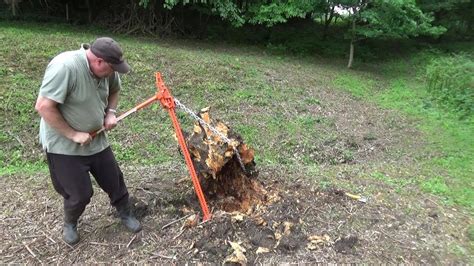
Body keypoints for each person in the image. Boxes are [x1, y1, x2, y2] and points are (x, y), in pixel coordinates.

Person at [35, 37, 142, 245]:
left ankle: (126, 213)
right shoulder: (65, 67)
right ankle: (70, 223)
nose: (113, 73)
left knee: (114, 180)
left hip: (96, 139)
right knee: (79, 193)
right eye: (112, 68)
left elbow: (114, 90)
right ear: (99, 61)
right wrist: (73, 134)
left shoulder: (107, 71)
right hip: (64, 144)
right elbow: (43, 106)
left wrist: (110, 113)